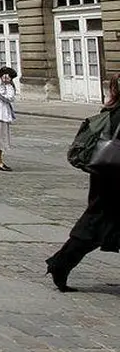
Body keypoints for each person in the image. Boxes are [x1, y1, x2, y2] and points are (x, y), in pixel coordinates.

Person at [45, 73, 120, 292]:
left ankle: (60, 263)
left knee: (97, 224)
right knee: (95, 225)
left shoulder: (109, 112)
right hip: (114, 177)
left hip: (104, 173)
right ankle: (60, 264)